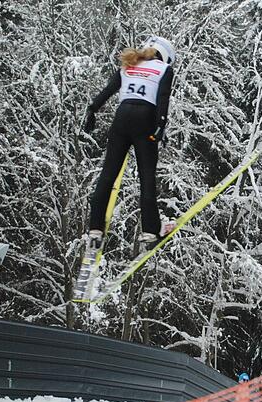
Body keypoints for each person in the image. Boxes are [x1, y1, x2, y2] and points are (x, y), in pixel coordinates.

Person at [83, 36, 175, 250]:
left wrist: (92, 110)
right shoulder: (164, 69)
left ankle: (95, 229)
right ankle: (150, 230)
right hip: (145, 120)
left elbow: (108, 90)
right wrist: (160, 125)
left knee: (108, 174)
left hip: (121, 119)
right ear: (166, 56)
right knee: (146, 177)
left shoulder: (130, 64)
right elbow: (163, 98)